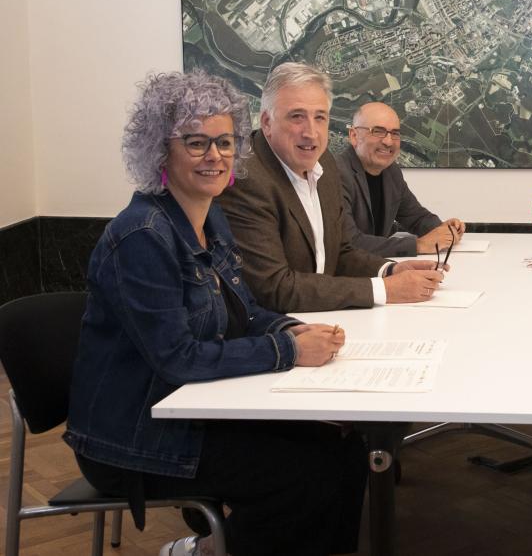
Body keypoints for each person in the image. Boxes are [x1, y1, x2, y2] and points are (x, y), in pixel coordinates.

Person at [64, 71, 366, 556]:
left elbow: (243, 311)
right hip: (136, 437)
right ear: (160, 151)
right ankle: (205, 552)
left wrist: (292, 326)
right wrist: (287, 349)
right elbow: (179, 359)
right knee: (306, 474)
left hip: (194, 410)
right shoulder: (143, 236)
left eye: (225, 142)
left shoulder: (210, 216)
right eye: (196, 142)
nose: (216, 156)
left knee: (346, 447)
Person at [218, 62, 445, 312]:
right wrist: (385, 290)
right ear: (267, 122)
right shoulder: (246, 178)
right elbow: (274, 288)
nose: (311, 133)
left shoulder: (323, 161)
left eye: (320, 117)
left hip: (322, 320)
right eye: (297, 117)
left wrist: (390, 269)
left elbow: (340, 252)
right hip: (277, 331)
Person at [338, 101, 467, 257]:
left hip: (378, 267)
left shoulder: (391, 172)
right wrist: (418, 245)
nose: (388, 141)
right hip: (345, 276)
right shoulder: (336, 174)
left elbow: (416, 217)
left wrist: (442, 229)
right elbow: (348, 242)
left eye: (395, 133)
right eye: (378, 131)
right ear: (354, 136)